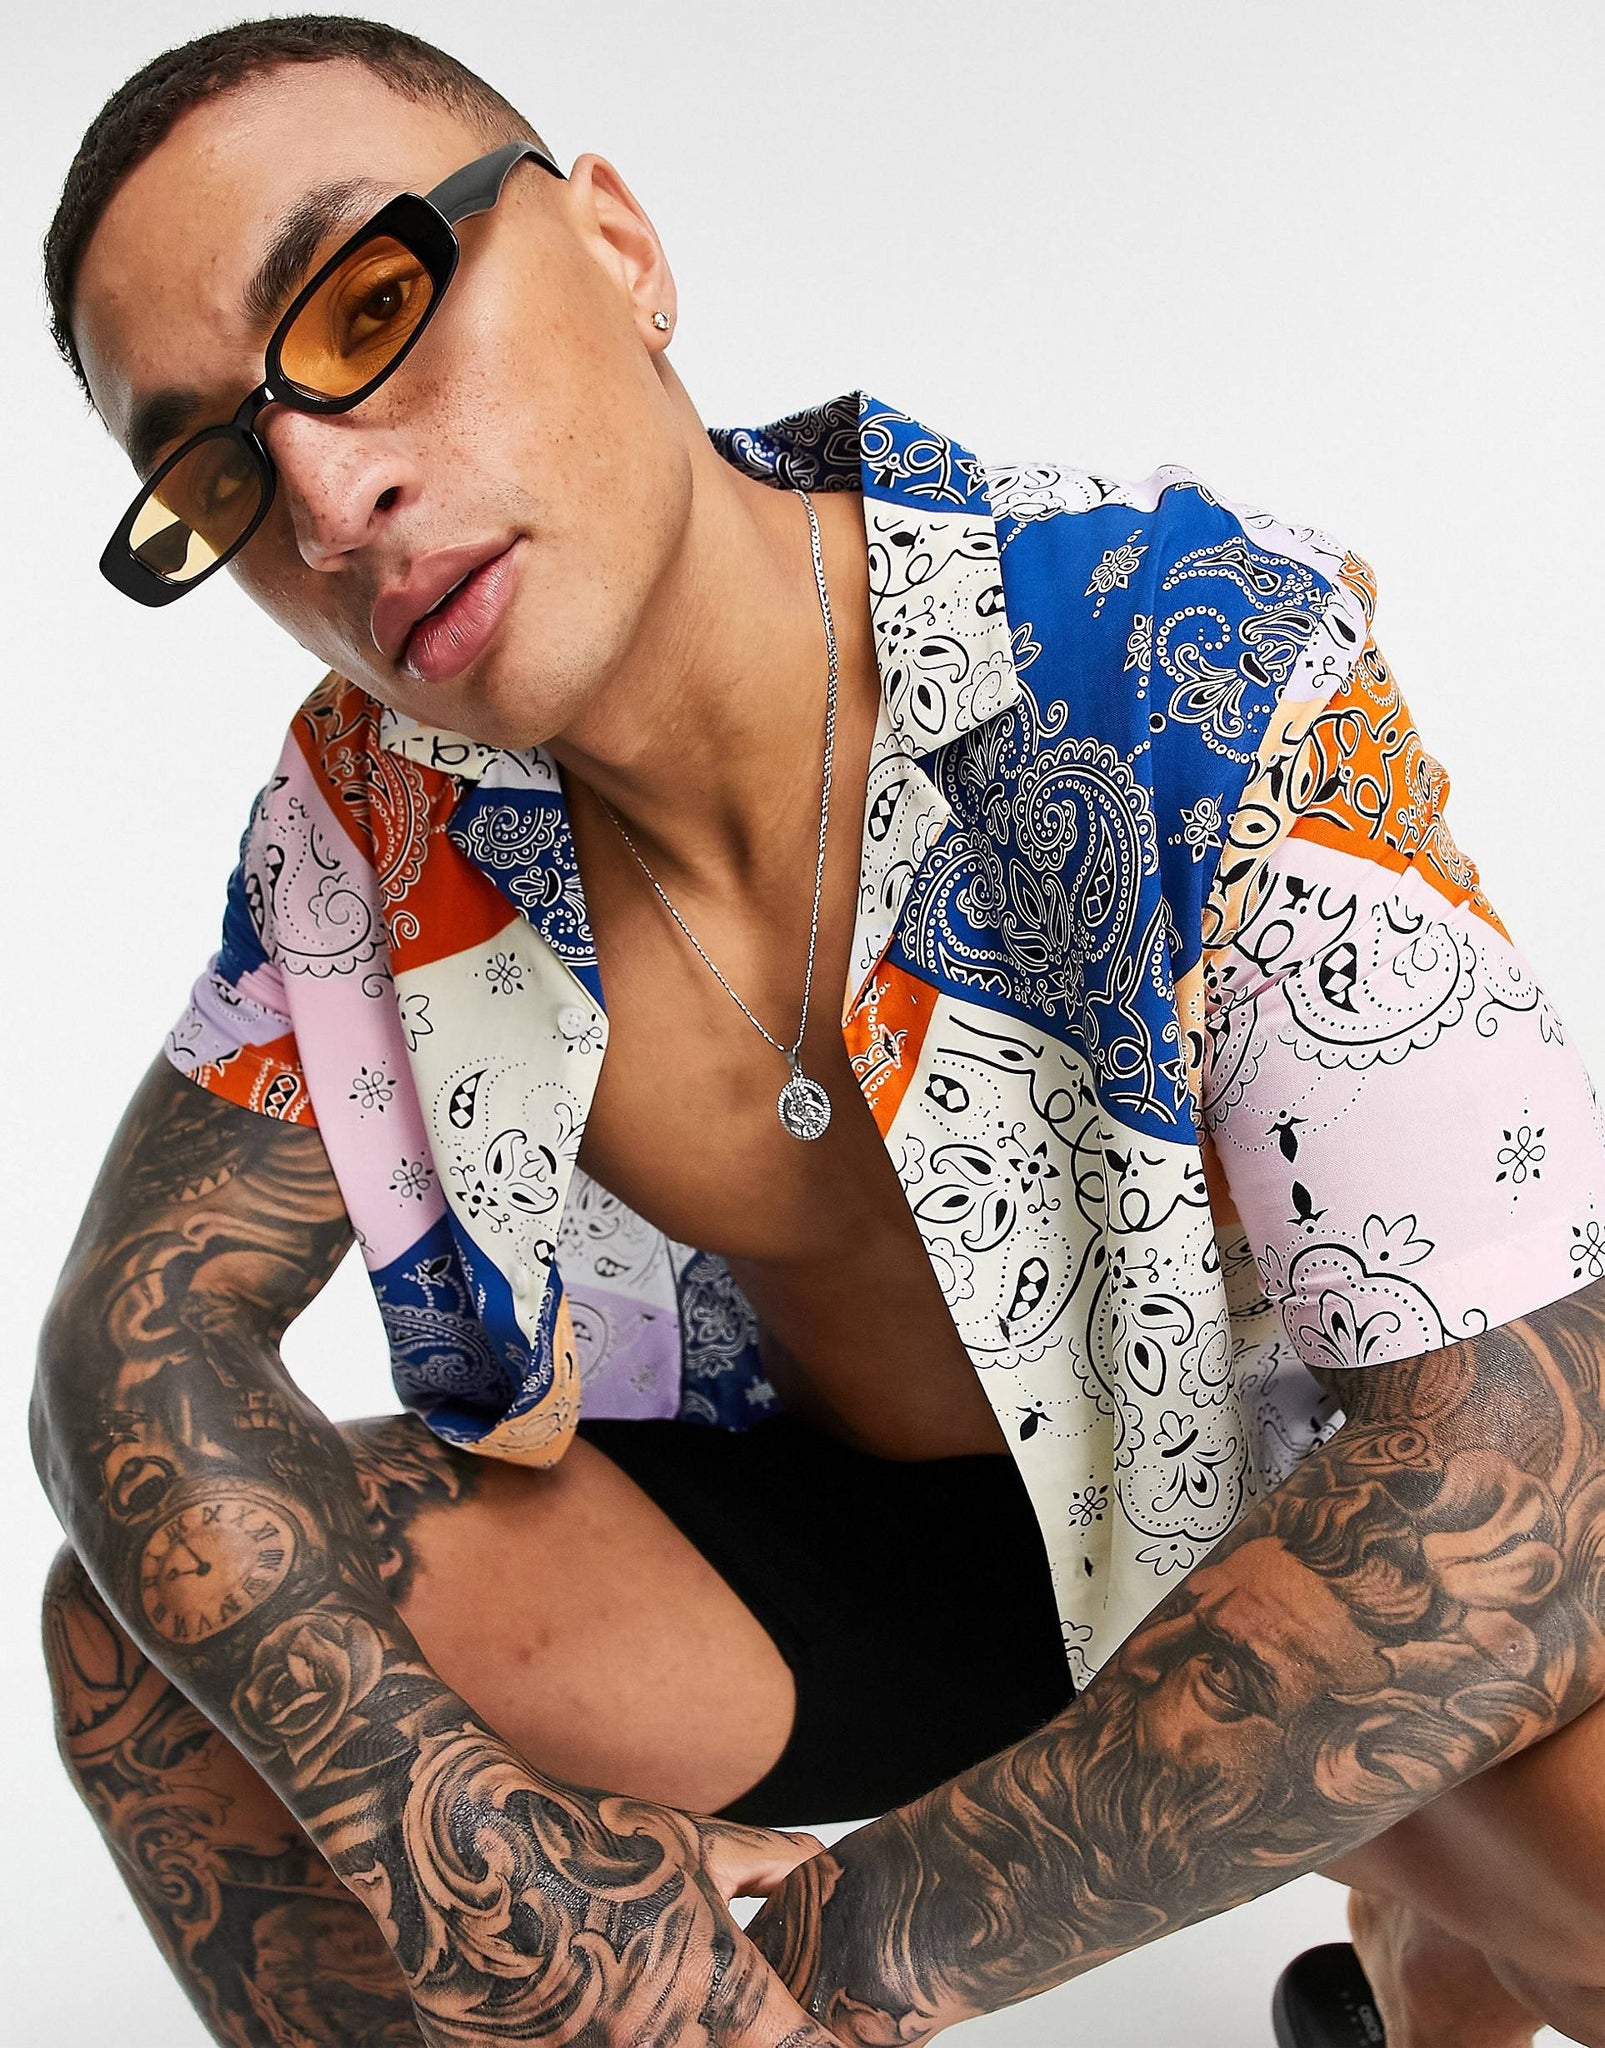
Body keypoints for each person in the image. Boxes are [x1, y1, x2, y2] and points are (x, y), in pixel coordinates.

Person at [29, 14, 1605, 2047]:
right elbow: (131, 1359)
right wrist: (509, 1887)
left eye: (370, 308)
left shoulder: (1175, 645)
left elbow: (1510, 1474)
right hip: (855, 1554)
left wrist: (802, 1975)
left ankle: (1425, 1962)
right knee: (154, 1649)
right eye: (219, 471)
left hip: (1278, 1536)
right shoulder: (370, 818)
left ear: (618, 249)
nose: (331, 501)